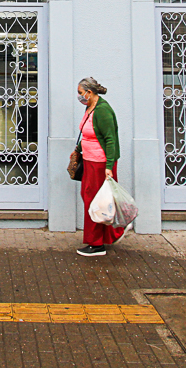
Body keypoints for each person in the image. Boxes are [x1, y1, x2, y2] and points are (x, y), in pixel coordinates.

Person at [71, 77, 124, 257]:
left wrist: (109, 166)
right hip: (89, 161)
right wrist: (78, 150)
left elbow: (110, 139)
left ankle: (96, 244)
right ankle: (110, 234)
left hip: (100, 164)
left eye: (81, 93)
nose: (79, 96)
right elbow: (88, 133)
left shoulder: (103, 111)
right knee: (94, 199)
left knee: (95, 202)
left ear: (90, 92)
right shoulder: (90, 107)